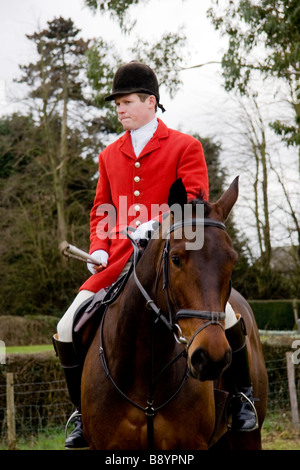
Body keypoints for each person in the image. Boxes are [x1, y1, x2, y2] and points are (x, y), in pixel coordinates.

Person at [53, 61, 258, 449]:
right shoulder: (108, 155)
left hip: (176, 254)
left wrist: (157, 226)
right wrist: (98, 245)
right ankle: (82, 412)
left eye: (126, 101)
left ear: (150, 102)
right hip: (117, 261)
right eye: (117, 102)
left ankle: (243, 396)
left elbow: (194, 200)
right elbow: (102, 209)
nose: (119, 108)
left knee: (227, 316)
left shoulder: (185, 146)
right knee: (66, 327)